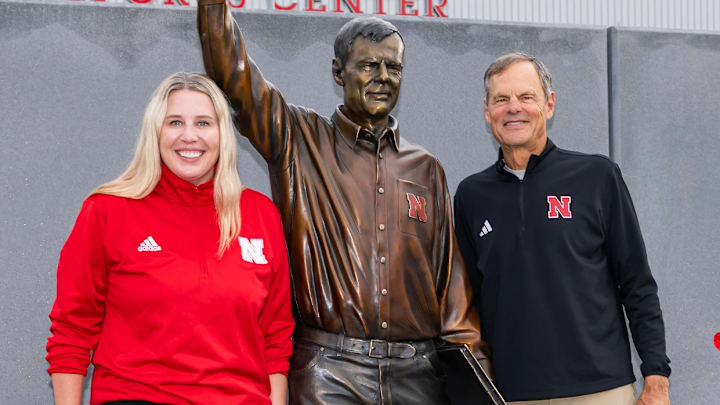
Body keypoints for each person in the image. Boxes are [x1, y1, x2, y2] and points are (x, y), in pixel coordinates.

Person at [197, 1, 490, 404]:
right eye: (369, 66)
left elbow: (453, 295)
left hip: (418, 377)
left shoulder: (426, 169)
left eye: (394, 67)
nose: (383, 77)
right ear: (339, 72)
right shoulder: (298, 139)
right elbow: (234, 74)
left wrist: (478, 377)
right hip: (330, 374)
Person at [45, 72, 294, 405]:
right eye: (175, 123)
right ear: (155, 132)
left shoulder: (260, 214)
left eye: (203, 123)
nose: (189, 136)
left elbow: (275, 338)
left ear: (223, 134)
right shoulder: (107, 210)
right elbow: (72, 330)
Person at [454, 52, 671, 405]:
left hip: (602, 390)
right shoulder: (471, 196)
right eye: (501, 99)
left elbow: (637, 284)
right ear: (486, 110)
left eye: (526, 97)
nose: (513, 108)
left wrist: (657, 377)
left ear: (549, 105)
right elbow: (469, 304)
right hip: (513, 394)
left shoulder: (597, 177)